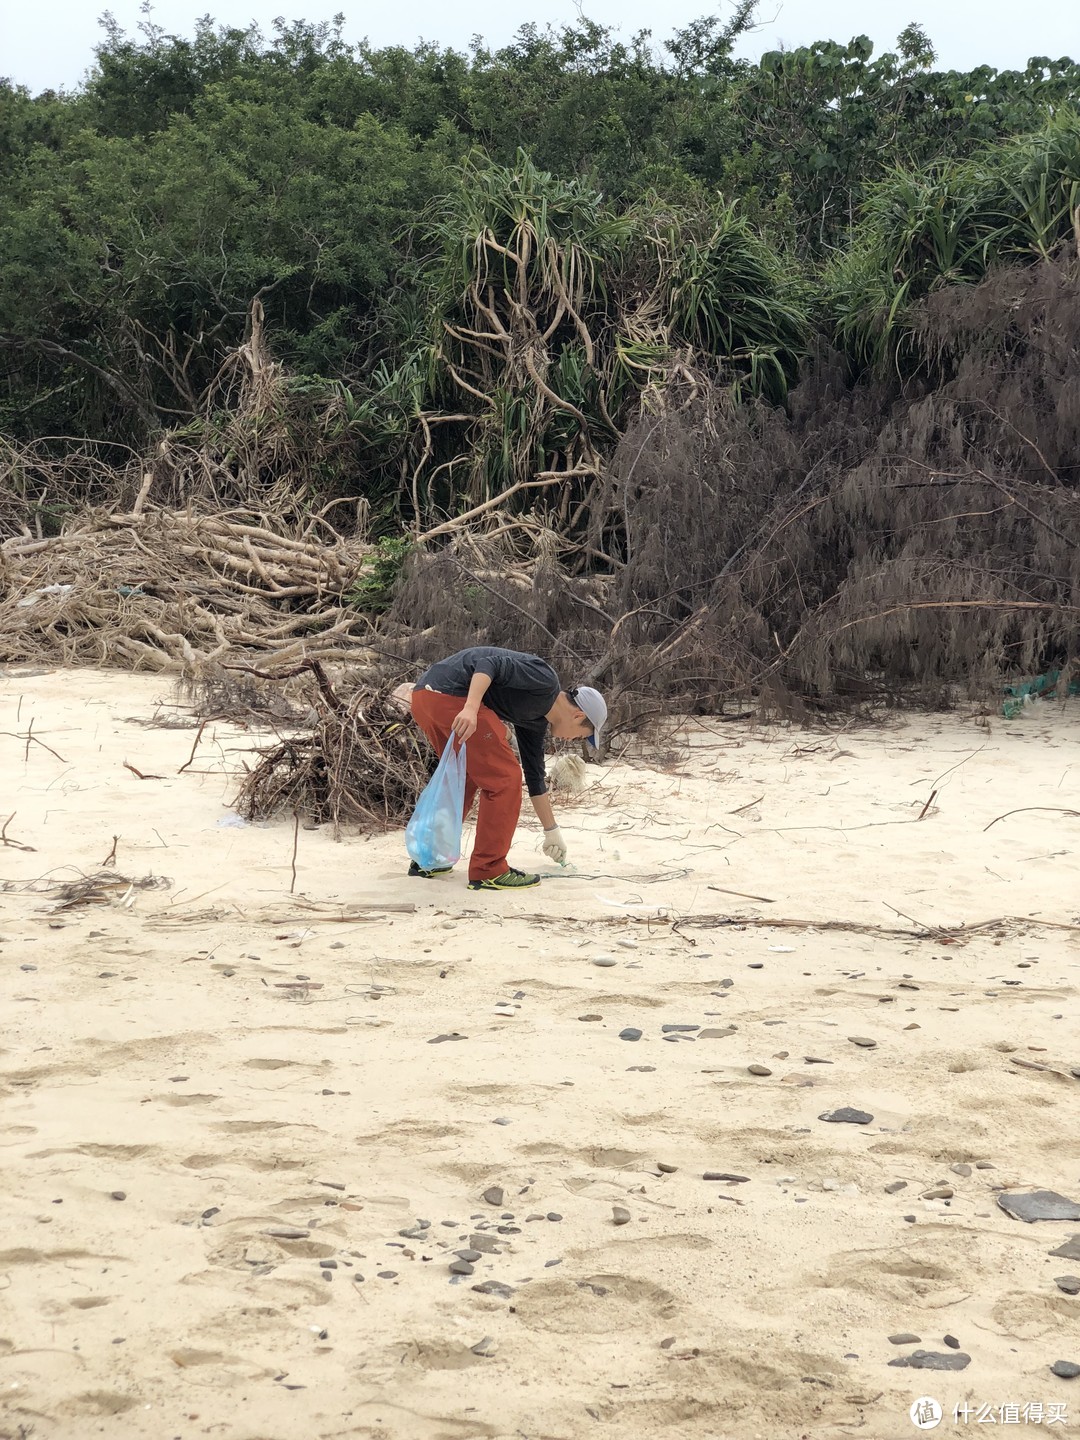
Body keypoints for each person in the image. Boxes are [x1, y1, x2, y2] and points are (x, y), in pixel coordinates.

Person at [408, 646, 606, 891]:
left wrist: (551, 832)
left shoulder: (535, 722)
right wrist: (470, 708)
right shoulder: (545, 680)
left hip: (424, 698)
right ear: (578, 716)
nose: (573, 741)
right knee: (505, 777)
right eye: (580, 736)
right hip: (452, 697)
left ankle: (430, 859)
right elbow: (488, 665)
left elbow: (535, 778)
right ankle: (489, 869)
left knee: (465, 776)